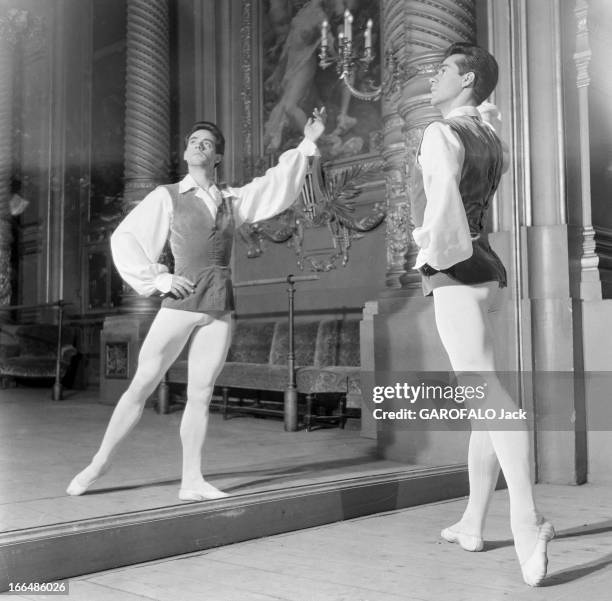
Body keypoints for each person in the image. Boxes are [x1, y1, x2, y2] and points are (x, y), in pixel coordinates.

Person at [67, 109, 326, 501]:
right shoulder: (167, 196)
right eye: (193, 142)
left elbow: (274, 185)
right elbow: (125, 239)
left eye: (206, 144)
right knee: (142, 386)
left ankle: (191, 480)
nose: (198, 147)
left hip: (220, 306)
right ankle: (99, 462)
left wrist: (308, 142)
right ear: (186, 154)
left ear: (217, 157)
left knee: (201, 393)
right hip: (180, 303)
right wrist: (159, 279)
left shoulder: (231, 200)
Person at [413, 42, 554, 587]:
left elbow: (443, 201)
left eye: (443, 70)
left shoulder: (439, 133)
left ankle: (529, 517)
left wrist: (430, 253)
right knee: (483, 402)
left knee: (486, 395)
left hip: (457, 265)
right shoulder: (488, 135)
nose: (434, 77)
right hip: (487, 268)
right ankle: (473, 522)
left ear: (467, 78)